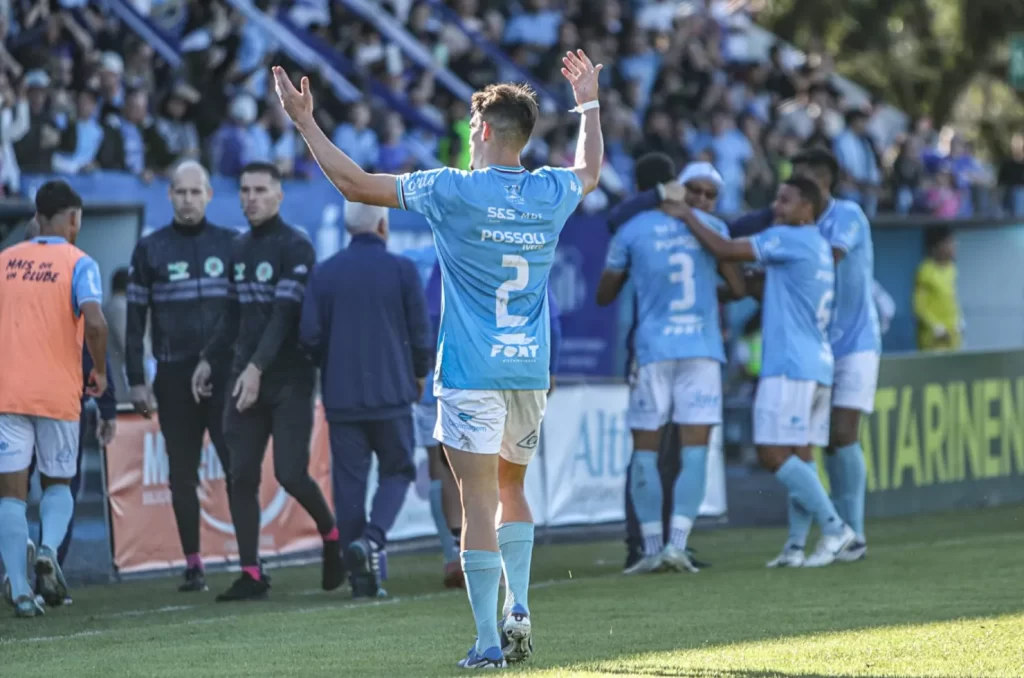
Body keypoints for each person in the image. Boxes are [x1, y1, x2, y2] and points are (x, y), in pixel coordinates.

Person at [273, 46, 602, 668]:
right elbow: (589, 169)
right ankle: (521, 604)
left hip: (471, 371)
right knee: (513, 486)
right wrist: (588, 103)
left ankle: (486, 640)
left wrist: (304, 121)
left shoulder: (451, 190)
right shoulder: (551, 191)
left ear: (479, 129)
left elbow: (354, 184)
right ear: (526, 137)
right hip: (529, 368)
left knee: (476, 499)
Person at [667, 177, 856, 568]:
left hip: (789, 365)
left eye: (786, 200)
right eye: (777, 198)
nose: (777, 206)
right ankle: (795, 545)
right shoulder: (818, 247)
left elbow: (723, 248)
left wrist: (686, 214)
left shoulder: (788, 237)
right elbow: (762, 287)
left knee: (771, 452)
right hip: (817, 365)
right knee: (801, 455)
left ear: (808, 208)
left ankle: (836, 528)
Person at [194, 162, 342, 602]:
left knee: (290, 473)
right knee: (240, 475)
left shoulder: (296, 246)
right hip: (246, 375)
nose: (251, 198)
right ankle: (251, 573)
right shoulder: (238, 249)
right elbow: (230, 316)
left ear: (279, 196)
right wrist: (207, 360)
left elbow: (283, 317)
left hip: (290, 378)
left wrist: (257, 369)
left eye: (260, 190)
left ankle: (331, 535)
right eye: (244, 190)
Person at [597, 155, 744, 575]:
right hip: (701, 350)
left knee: (644, 451)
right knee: (694, 451)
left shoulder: (632, 230)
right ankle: (678, 545)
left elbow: (605, 295)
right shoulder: (712, 228)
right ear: (678, 186)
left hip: (652, 349)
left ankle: (649, 549)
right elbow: (735, 286)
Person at [298, 201, 429, 599]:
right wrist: (419, 373)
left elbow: (308, 336)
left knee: (349, 486)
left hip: (342, 398)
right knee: (399, 470)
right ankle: (371, 542)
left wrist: (331, 365)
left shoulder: (325, 273)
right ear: (383, 225)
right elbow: (420, 333)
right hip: (392, 393)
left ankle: (361, 579)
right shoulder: (403, 271)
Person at [126, 161, 237, 592]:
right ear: (169, 196)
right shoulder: (149, 249)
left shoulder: (231, 245)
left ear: (209, 195)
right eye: (180, 192)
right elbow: (135, 321)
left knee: (238, 469)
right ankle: (193, 562)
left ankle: (250, 560)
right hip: (173, 378)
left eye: (196, 192)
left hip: (224, 376)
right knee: (182, 475)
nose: (188, 199)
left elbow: (244, 313)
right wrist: (136, 378)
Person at [0, 180, 108, 618]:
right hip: (59, 393)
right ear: (74, 218)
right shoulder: (79, 261)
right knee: (58, 483)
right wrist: (98, 370)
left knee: (11, 495)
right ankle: (46, 548)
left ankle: (21, 591)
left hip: (8, 393)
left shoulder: (5, 261)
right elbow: (96, 322)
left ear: (35, 218)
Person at [769, 148, 880, 567]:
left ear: (825, 182)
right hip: (815, 345)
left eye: (805, 181)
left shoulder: (846, 215)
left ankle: (854, 533)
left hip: (855, 342)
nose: (798, 189)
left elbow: (829, 257)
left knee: (843, 435)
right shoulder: (793, 223)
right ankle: (800, 541)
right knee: (806, 440)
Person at [403, 243, 465, 589]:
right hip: (470, 377)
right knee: (476, 464)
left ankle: (451, 554)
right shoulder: (471, 247)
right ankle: (473, 553)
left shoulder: (412, 258)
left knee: (438, 464)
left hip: (428, 380)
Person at [913, 226, 962, 351]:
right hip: (933, 341)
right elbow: (919, 308)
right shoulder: (925, 271)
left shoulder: (952, 269)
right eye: (950, 242)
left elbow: (953, 300)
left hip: (953, 338)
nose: (954, 245)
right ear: (937, 246)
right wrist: (936, 328)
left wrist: (958, 322)